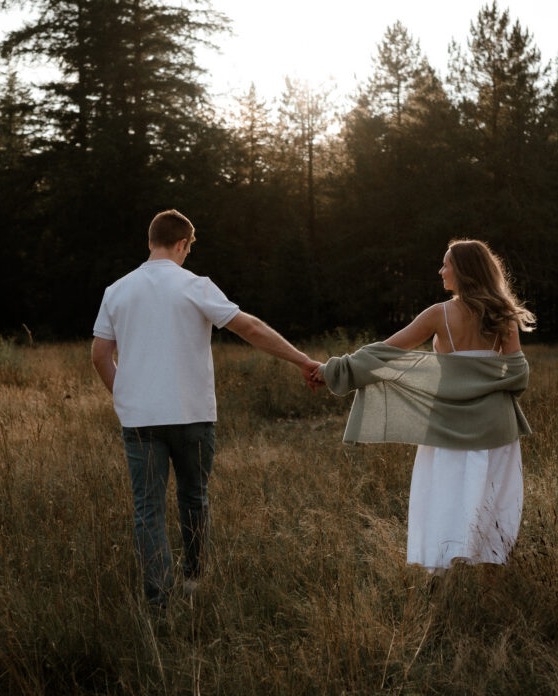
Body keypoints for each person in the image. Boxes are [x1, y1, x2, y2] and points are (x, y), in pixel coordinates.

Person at [92, 209, 321, 609]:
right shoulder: (196, 286)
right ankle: (194, 581)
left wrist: (125, 395)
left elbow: (99, 356)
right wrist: (302, 360)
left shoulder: (117, 290)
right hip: (194, 416)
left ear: (151, 241)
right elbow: (248, 327)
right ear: (182, 244)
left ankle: (159, 602)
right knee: (194, 498)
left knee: (148, 510)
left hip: (141, 421)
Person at [318, 239, 534, 574]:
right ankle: (491, 586)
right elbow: (518, 374)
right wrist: (483, 380)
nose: (441, 270)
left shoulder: (439, 314)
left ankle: (442, 583)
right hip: (496, 426)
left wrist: (333, 370)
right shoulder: (502, 313)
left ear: (462, 270)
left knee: (444, 501)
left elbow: (383, 352)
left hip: (447, 425)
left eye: (446, 263)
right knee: (494, 504)